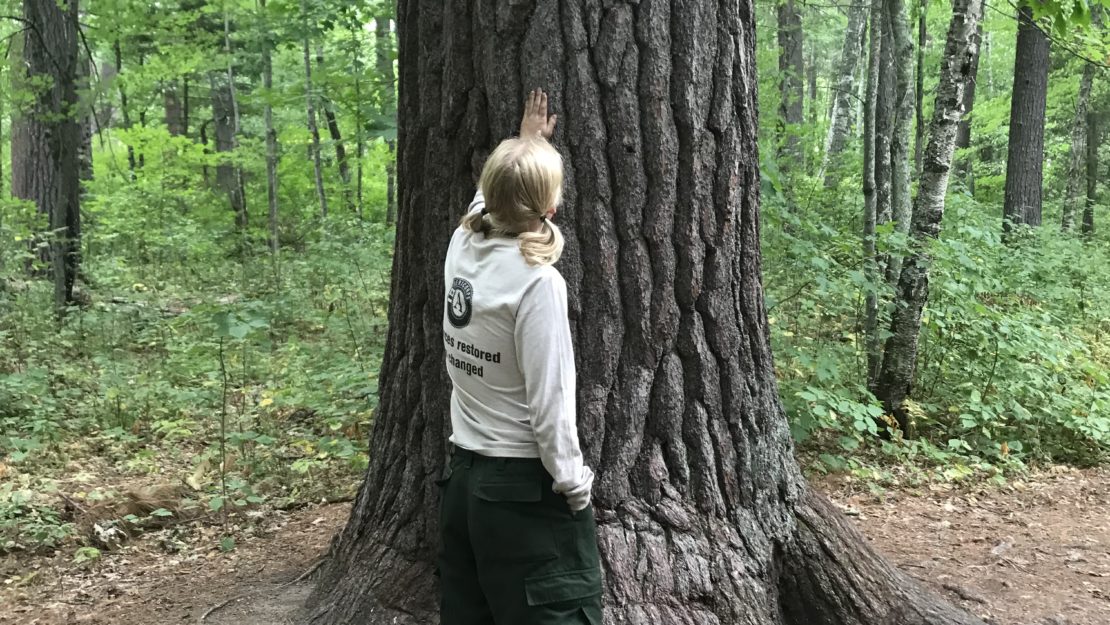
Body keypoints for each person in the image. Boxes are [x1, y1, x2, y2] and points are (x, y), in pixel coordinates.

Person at [437, 89, 602, 625]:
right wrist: (573, 485)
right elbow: (551, 400)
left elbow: (487, 203)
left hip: (464, 488)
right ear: (552, 208)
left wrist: (527, 143)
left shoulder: (462, 245)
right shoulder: (538, 283)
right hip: (523, 494)